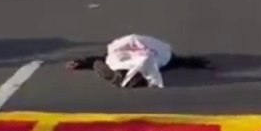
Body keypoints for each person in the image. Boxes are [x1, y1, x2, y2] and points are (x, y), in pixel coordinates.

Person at [64, 34, 213, 88]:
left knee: (101, 65)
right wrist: (199, 62)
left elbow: (100, 61)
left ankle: (127, 78)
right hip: (136, 51)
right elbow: (177, 60)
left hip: (139, 53)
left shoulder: (158, 59)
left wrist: (83, 63)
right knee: (103, 64)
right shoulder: (160, 60)